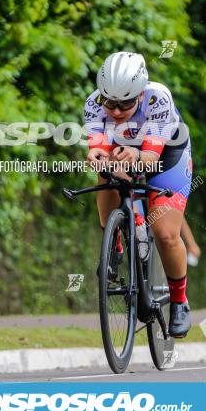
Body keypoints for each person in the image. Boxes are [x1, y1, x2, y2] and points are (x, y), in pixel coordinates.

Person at [83, 51, 193, 338]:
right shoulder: (93, 105)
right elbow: (97, 147)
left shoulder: (159, 99)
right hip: (126, 153)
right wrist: (97, 156)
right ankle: (116, 242)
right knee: (106, 174)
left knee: (166, 233)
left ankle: (179, 302)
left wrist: (133, 155)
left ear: (141, 94)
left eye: (126, 104)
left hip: (166, 156)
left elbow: (149, 158)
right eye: (110, 103)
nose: (116, 111)